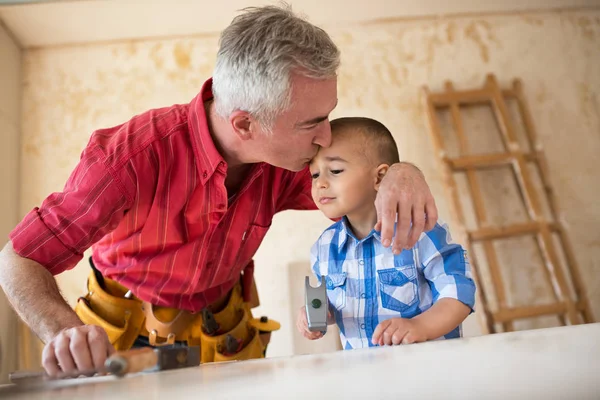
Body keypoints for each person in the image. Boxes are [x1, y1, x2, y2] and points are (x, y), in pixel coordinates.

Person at [0, 5, 438, 377]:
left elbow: (362, 181)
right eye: (310, 124)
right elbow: (19, 256)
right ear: (245, 124)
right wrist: (63, 332)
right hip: (126, 330)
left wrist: (401, 170)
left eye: (328, 116)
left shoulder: (294, 161)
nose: (326, 137)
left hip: (223, 329)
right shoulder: (127, 161)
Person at [296, 117, 475, 349]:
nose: (320, 184)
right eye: (315, 174)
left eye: (335, 170)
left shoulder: (419, 231)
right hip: (366, 375)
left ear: (379, 177)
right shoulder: (324, 248)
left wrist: (420, 326)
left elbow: (459, 292)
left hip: (429, 370)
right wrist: (315, 314)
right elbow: (334, 306)